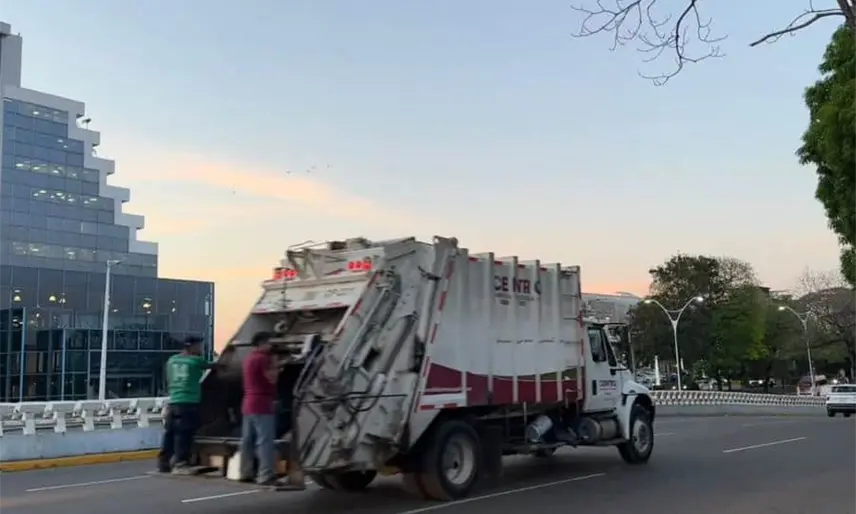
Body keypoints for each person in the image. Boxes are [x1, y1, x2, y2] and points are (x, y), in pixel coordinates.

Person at [158, 336, 214, 474]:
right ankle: (181, 463)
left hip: (173, 401)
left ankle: (163, 463)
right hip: (188, 402)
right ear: (192, 346)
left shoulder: (172, 360)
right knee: (184, 434)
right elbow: (214, 366)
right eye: (199, 346)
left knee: (170, 434)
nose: (201, 349)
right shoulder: (196, 361)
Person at [240, 331, 280, 485]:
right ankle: (266, 475)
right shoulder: (263, 358)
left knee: (247, 440)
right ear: (262, 343)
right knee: (265, 441)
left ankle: (245, 472)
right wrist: (275, 365)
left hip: (248, 403)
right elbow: (272, 378)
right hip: (262, 403)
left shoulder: (249, 358)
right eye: (270, 343)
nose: (271, 346)